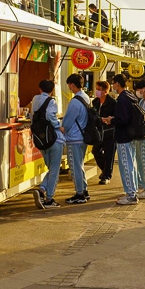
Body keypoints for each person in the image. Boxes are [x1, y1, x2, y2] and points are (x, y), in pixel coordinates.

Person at [103, 74, 140, 205]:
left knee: (126, 165)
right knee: (131, 164)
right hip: (130, 136)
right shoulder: (131, 96)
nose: (113, 86)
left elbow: (122, 119)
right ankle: (132, 191)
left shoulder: (123, 98)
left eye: (113, 83)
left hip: (124, 137)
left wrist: (111, 120)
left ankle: (131, 195)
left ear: (118, 84)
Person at [30, 80, 63, 209]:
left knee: (51, 168)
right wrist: (58, 125)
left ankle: (42, 190)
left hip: (40, 140)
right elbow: (50, 115)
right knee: (55, 170)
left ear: (39, 89)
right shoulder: (51, 101)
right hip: (53, 139)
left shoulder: (35, 99)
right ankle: (49, 199)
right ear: (52, 90)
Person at [62, 74, 92, 205]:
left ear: (72, 85)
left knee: (75, 166)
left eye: (69, 85)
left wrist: (62, 128)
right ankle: (84, 190)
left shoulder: (74, 102)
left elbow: (67, 122)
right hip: (83, 136)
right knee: (80, 165)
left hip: (74, 137)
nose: (69, 87)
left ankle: (79, 193)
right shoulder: (86, 97)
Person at [91, 80, 115, 184]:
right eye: (96, 89)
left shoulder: (112, 103)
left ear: (105, 91)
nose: (97, 91)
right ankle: (105, 170)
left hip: (110, 132)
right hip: (98, 132)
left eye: (99, 89)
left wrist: (109, 119)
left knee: (109, 154)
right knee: (96, 151)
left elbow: (116, 117)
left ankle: (106, 176)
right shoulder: (95, 102)